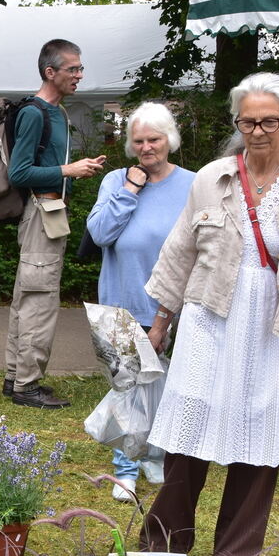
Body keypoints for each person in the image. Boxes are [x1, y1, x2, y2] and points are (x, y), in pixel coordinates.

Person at [140, 72, 279, 556]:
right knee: (188, 435)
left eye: (268, 121)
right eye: (247, 121)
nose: (257, 131)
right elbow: (179, 254)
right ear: (237, 123)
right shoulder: (212, 178)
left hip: (275, 330)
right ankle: (160, 552)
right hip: (210, 322)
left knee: (259, 442)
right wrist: (159, 324)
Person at [87, 102, 194, 502]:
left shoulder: (192, 183)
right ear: (130, 145)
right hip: (120, 301)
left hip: (175, 302)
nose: (147, 147)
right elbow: (100, 233)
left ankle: (156, 456)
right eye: (139, 141)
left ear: (170, 140)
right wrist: (131, 190)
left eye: (155, 139)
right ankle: (125, 471)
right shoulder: (116, 181)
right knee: (126, 387)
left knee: (170, 386)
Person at [5, 39, 106, 409]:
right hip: (40, 214)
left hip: (51, 212)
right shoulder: (35, 113)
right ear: (51, 72)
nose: (80, 75)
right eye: (73, 69)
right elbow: (19, 172)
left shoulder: (57, 112)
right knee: (39, 300)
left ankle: (16, 377)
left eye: (80, 68)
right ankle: (26, 386)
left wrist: (74, 172)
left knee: (29, 296)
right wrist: (68, 170)